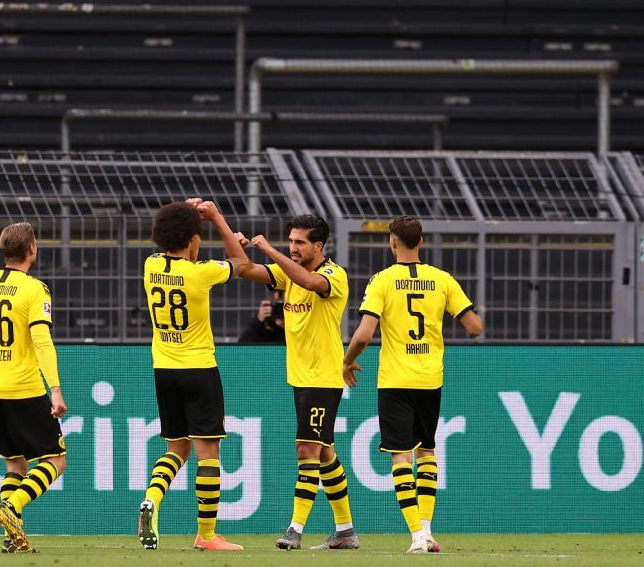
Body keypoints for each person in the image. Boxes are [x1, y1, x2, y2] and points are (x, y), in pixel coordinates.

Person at [342, 215, 484, 555]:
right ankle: (428, 531)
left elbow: (363, 335)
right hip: (430, 378)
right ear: (421, 241)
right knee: (427, 451)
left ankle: (417, 535)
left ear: (392, 242)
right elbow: (475, 327)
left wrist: (347, 360)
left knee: (401, 456)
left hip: (395, 379)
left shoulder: (382, 281)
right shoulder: (442, 279)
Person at [235, 214, 359, 550]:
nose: (293, 247)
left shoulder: (333, 274)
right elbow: (245, 269)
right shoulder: (288, 272)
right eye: (290, 241)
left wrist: (269, 250)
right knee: (324, 452)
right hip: (301, 377)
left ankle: (295, 529)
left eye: (299, 242)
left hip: (322, 377)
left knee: (306, 449)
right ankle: (345, 531)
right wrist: (232, 236)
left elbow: (311, 282)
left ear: (318, 245)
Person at [136, 199, 247, 552]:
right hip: (198, 369)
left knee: (176, 449)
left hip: (164, 369)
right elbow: (242, 263)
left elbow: (180, 247)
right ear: (193, 238)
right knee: (207, 453)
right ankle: (207, 534)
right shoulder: (201, 274)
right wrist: (217, 219)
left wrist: (182, 214)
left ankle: (152, 498)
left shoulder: (151, 265)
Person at [0, 222, 68, 555]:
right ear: (31, 249)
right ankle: (12, 507)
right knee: (56, 460)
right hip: (23, 387)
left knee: (15, 464)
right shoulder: (35, 289)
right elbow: (41, 340)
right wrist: (55, 389)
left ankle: (13, 535)